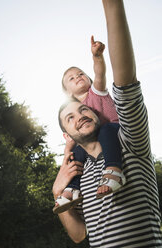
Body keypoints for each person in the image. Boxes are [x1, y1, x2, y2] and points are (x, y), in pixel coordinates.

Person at [52, 0, 162, 247]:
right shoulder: (79, 169)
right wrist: (57, 192)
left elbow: (125, 82)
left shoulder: (129, 141)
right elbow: (79, 235)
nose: (80, 115)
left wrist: (112, 6)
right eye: (70, 117)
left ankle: (113, 172)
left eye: (84, 110)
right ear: (66, 134)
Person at [53, 35, 126, 214]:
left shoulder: (96, 92)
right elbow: (71, 143)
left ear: (89, 80)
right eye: (71, 78)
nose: (77, 77)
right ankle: (73, 189)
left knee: (106, 129)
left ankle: (114, 170)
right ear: (67, 91)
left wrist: (97, 57)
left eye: (80, 74)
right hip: (94, 140)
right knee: (77, 152)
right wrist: (67, 154)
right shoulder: (73, 108)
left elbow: (100, 73)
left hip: (115, 130)